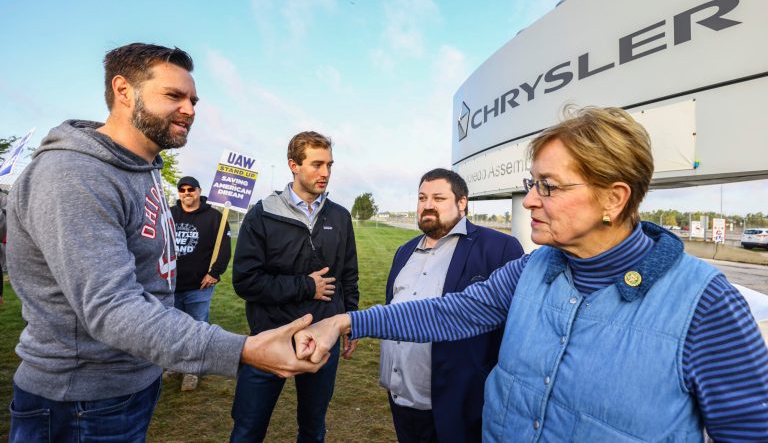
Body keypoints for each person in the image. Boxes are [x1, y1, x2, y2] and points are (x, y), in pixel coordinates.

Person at [297, 106, 768, 442]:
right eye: (531, 183)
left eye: (550, 187)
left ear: (613, 198)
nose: (529, 201)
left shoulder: (708, 306)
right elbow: (453, 313)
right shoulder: (532, 268)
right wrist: (346, 321)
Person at [6, 43, 326, 443]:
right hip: (78, 402)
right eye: (173, 96)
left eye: (193, 99)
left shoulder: (143, 170)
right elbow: (112, 308)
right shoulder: (74, 175)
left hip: (131, 382)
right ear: (124, 90)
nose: (190, 109)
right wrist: (242, 349)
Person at [230, 131, 359, 443]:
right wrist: (306, 287)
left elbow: (348, 276)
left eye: (329, 164)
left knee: (313, 429)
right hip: (270, 337)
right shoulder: (262, 214)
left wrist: (350, 320)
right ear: (293, 165)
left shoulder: (340, 216)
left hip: (322, 338)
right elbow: (246, 281)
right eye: (317, 164)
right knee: (248, 430)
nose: (325, 173)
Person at [381, 168, 523, 443]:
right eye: (422, 198)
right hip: (401, 397)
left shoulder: (499, 248)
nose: (427, 205)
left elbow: (513, 331)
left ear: (462, 203)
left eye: (438, 198)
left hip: (458, 404)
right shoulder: (404, 251)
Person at [169, 175, 232, 391]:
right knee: (173, 328)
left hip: (199, 286)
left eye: (190, 189)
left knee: (197, 329)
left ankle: (193, 370)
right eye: (182, 190)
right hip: (171, 285)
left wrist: (214, 273)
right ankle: (175, 365)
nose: (186, 193)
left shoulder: (214, 217)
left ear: (198, 191)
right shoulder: (169, 215)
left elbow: (224, 249)